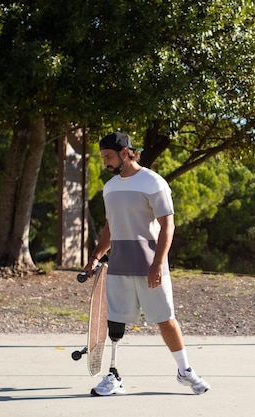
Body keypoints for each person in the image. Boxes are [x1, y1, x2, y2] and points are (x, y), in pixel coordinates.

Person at [84, 131, 210, 396]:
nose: (105, 162)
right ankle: (114, 375)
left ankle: (184, 371)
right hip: (119, 266)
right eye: (103, 157)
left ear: (126, 153)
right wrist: (96, 255)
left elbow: (168, 225)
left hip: (151, 266)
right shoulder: (110, 187)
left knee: (165, 319)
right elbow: (110, 227)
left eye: (108, 156)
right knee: (116, 321)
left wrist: (157, 264)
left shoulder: (153, 182)